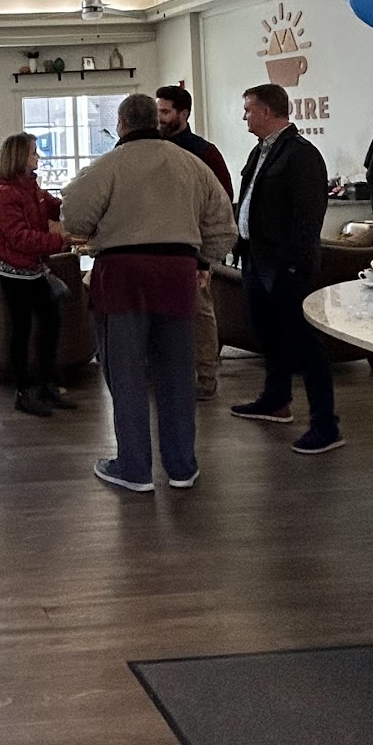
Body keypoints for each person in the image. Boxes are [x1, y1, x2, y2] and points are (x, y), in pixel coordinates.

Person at [62, 94, 236, 493]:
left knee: (126, 374)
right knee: (177, 373)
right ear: (155, 123)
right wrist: (203, 261)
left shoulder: (107, 166)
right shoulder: (191, 165)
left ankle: (134, 467)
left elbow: (75, 218)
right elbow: (223, 223)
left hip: (122, 274)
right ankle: (182, 466)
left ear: (122, 124)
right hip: (177, 272)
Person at [229, 84, 342, 454]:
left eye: (248, 109)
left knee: (305, 343)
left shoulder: (301, 154)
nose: (244, 116)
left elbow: (308, 216)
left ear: (266, 111)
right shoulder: (260, 151)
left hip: (286, 267)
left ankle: (326, 425)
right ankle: (276, 400)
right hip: (255, 260)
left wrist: (292, 265)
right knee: (269, 336)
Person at [156, 85, 234, 401]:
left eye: (165, 112)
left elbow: (222, 202)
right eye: (158, 111)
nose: (159, 118)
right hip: (158, 244)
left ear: (183, 114)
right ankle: (167, 372)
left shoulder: (205, 153)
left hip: (193, 247)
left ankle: (206, 376)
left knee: (199, 313)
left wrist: (205, 255)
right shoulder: (152, 149)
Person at [0, 133, 72, 418]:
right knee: (21, 330)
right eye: (34, 152)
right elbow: (20, 237)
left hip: (34, 269)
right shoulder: (5, 194)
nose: (38, 156)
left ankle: (46, 383)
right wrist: (59, 241)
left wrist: (72, 201)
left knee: (50, 323)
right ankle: (23, 391)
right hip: (15, 273)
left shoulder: (31, 187)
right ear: (19, 157)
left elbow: (53, 206)